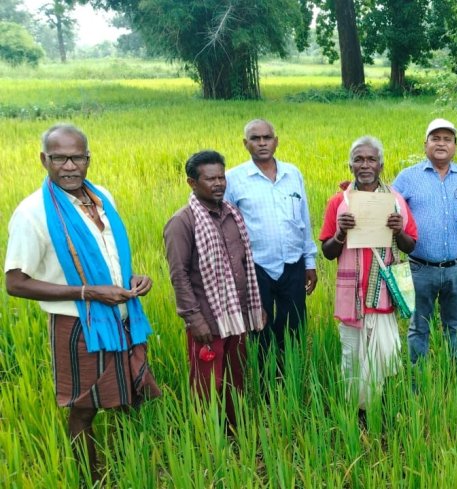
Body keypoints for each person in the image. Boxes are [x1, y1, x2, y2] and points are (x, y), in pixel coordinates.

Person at [4, 124, 161, 482]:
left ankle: (126, 467)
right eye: (59, 158)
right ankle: (90, 478)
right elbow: (15, 283)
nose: (69, 166)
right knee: (84, 408)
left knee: (126, 398)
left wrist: (133, 280)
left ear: (88, 158)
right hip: (78, 325)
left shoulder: (102, 197)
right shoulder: (32, 214)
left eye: (76, 157)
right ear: (44, 159)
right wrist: (88, 292)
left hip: (120, 316)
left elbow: (110, 257)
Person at [319, 136, 417, 424]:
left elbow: (411, 246)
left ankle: (379, 409)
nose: (365, 164)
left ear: (381, 164)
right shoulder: (339, 202)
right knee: (352, 359)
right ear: (350, 165)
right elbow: (327, 251)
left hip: (384, 294)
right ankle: (357, 415)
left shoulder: (395, 201)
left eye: (371, 159)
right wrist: (340, 233)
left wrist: (398, 231)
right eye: (359, 159)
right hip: (352, 301)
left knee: (383, 357)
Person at [163, 150, 265, 427]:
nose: (219, 184)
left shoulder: (232, 214)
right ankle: (208, 439)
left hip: (237, 314)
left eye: (222, 177)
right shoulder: (182, 222)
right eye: (210, 179)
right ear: (192, 183)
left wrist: (256, 308)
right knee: (207, 383)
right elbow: (179, 275)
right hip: (207, 319)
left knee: (236, 377)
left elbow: (245, 265)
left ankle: (236, 431)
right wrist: (194, 319)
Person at [225, 119, 317, 372]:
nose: (262, 143)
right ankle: (268, 385)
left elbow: (304, 221)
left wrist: (309, 262)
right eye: (255, 138)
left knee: (293, 326)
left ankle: (291, 379)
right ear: (246, 144)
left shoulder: (292, 174)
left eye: (267, 137)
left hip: (293, 264)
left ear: (276, 141)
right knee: (259, 329)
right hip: (256, 267)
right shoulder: (233, 179)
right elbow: (226, 229)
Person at [392, 118, 457, 364]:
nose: (441, 144)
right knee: (418, 327)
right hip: (419, 269)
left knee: (456, 327)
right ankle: (417, 381)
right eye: (435, 139)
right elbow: (388, 210)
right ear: (425, 145)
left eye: (447, 139)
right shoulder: (407, 178)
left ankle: (456, 378)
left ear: (455, 146)